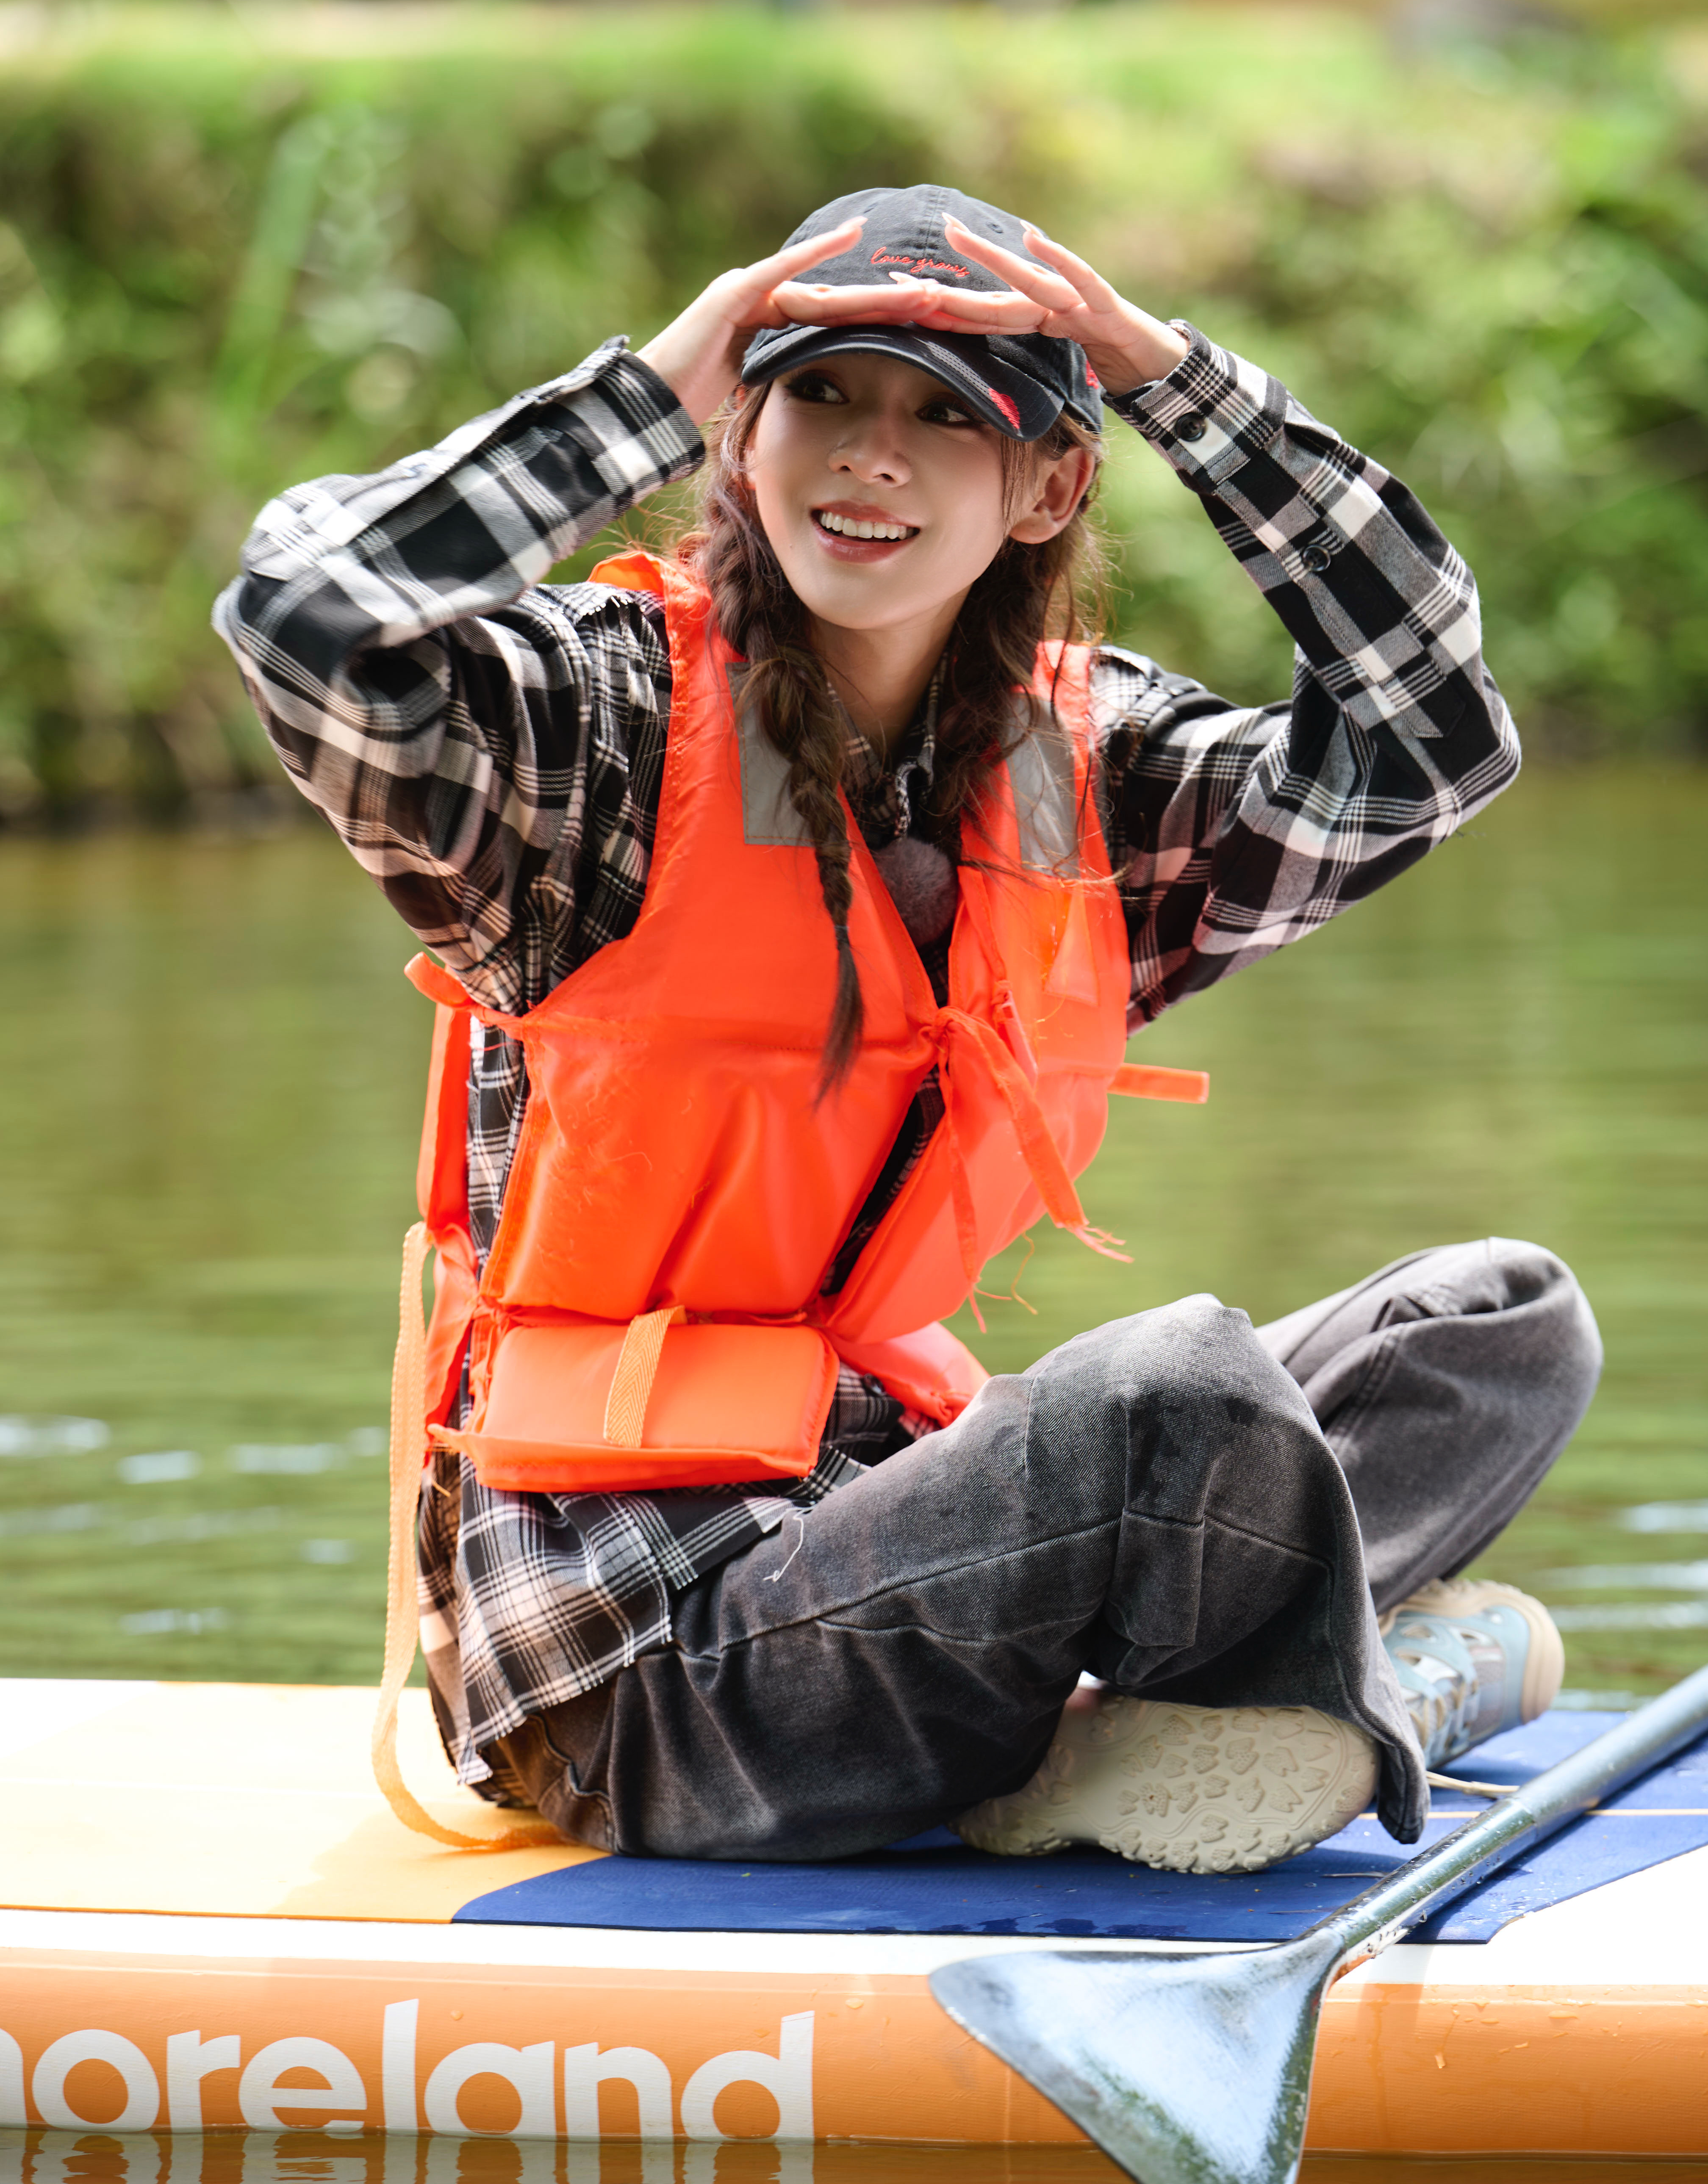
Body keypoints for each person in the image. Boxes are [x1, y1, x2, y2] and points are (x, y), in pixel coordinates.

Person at [218, 183, 1602, 1874]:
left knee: (1503, 1326)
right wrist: (644, 395)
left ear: (1050, 487)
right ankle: (1295, 1691)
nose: (875, 453)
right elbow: (302, 621)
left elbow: (1432, 738)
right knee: (1176, 1394)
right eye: (825, 394)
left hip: (910, 1549)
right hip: (653, 1674)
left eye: (950, 418)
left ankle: (1183, 1723)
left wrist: (1180, 386)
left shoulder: (1087, 768)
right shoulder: (585, 737)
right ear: (744, 435)